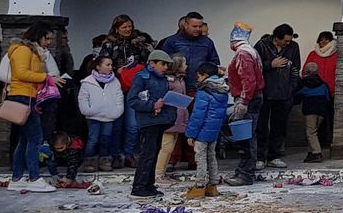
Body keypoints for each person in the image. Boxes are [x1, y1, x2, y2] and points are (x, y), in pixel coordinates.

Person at [5, 23, 62, 192]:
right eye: (47, 38)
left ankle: (17, 177)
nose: (49, 42)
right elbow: (21, 73)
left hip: (28, 96)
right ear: (38, 36)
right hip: (23, 96)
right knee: (35, 138)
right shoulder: (23, 50)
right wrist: (46, 77)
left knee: (24, 139)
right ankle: (34, 177)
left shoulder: (33, 52)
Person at [127, 50, 175, 199]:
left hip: (161, 120)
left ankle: (148, 184)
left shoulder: (163, 79)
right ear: (152, 63)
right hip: (148, 121)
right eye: (162, 64)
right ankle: (139, 186)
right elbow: (133, 100)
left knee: (153, 153)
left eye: (167, 64)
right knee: (147, 154)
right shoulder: (142, 77)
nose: (165, 67)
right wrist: (152, 105)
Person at [223, 24, 265, 186]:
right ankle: (245, 172)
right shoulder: (251, 51)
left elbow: (248, 80)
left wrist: (244, 101)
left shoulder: (242, 54)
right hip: (253, 97)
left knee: (245, 137)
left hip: (248, 99)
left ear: (233, 41)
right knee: (249, 135)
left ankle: (245, 174)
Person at [254, 24, 300, 169]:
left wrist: (292, 88)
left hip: (284, 93)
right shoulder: (262, 45)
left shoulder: (293, 47)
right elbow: (255, 67)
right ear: (276, 38)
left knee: (279, 126)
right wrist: (270, 64)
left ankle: (275, 155)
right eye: (285, 41)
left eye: (289, 41)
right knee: (262, 126)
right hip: (265, 92)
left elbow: (295, 68)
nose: (287, 43)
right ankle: (260, 156)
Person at [184, 62, 230, 200]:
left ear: (205, 75)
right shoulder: (222, 90)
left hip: (202, 131)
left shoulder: (204, 91)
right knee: (212, 157)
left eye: (199, 76)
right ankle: (213, 185)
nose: (197, 79)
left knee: (201, 159)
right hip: (214, 131)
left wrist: (191, 134)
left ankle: (199, 186)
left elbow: (198, 115)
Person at [78, 55, 125, 172]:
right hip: (93, 117)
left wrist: (117, 111)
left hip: (109, 117)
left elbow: (119, 97)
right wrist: (88, 110)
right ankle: (89, 160)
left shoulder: (115, 81)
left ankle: (104, 160)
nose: (111, 67)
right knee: (93, 139)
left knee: (106, 139)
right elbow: (83, 99)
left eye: (111, 65)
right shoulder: (88, 82)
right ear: (98, 67)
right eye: (107, 65)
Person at [158, 12, 219, 91]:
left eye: (200, 26)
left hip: (202, 86)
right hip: (176, 86)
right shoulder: (172, 41)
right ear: (186, 25)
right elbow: (163, 63)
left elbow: (214, 62)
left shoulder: (207, 42)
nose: (198, 29)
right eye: (194, 26)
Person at [304, 30, 338, 149]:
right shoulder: (313, 54)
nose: (323, 41)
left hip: (333, 93)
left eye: (326, 39)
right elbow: (305, 72)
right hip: (316, 93)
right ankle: (321, 143)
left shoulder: (336, 55)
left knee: (333, 118)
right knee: (319, 120)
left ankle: (333, 141)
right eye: (321, 39)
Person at [295, 61, 333, 163]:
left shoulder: (303, 83)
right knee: (314, 132)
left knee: (310, 132)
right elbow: (328, 98)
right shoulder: (323, 84)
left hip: (310, 111)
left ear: (306, 71)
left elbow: (297, 96)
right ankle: (311, 153)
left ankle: (316, 153)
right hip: (322, 111)